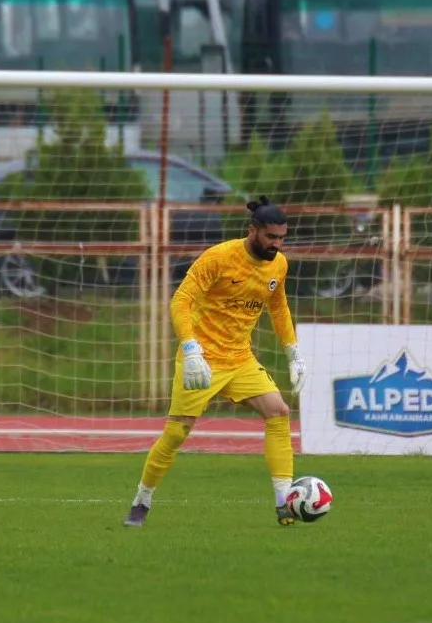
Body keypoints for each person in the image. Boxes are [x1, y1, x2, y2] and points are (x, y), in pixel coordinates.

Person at [124, 196, 308, 528]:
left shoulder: (278, 264)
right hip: (202, 359)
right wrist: (191, 349)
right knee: (178, 433)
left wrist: (293, 352)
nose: (277, 245)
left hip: (239, 358)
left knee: (279, 411)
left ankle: (284, 502)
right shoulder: (219, 257)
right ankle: (142, 499)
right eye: (271, 238)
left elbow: (278, 307)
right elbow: (181, 300)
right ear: (252, 230)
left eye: (282, 238)